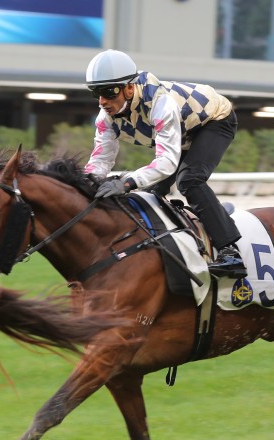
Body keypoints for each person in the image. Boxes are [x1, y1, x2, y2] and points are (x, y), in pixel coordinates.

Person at [84, 49, 246, 278]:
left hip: (214, 121)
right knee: (153, 192)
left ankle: (231, 252)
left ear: (130, 88)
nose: (102, 101)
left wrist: (126, 183)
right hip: (183, 132)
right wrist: (85, 184)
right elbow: (100, 161)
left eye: (109, 92)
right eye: (96, 93)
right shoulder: (105, 119)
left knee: (189, 180)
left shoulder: (161, 104)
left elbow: (167, 162)